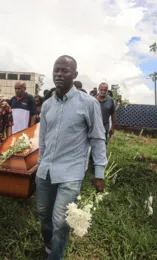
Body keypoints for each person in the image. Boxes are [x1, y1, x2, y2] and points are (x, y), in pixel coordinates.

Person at [36, 55, 107, 260]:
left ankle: (55, 256)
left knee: (61, 221)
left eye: (64, 70)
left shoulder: (88, 103)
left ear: (74, 74)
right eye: (56, 70)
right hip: (45, 169)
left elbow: (97, 138)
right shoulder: (48, 105)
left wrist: (99, 172)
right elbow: (42, 139)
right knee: (43, 215)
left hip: (71, 171)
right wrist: (40, 163)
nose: (59, 74)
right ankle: (49, 245)